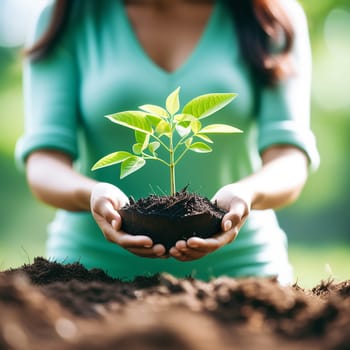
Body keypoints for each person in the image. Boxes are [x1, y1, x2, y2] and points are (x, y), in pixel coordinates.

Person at [16, 0, 319, 284]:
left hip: (242, 274)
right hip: (90, 274)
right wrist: (93, 194)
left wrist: (246, 194)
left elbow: (288, 159)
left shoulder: (268, 16)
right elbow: (44, 164)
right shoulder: (70, 15)